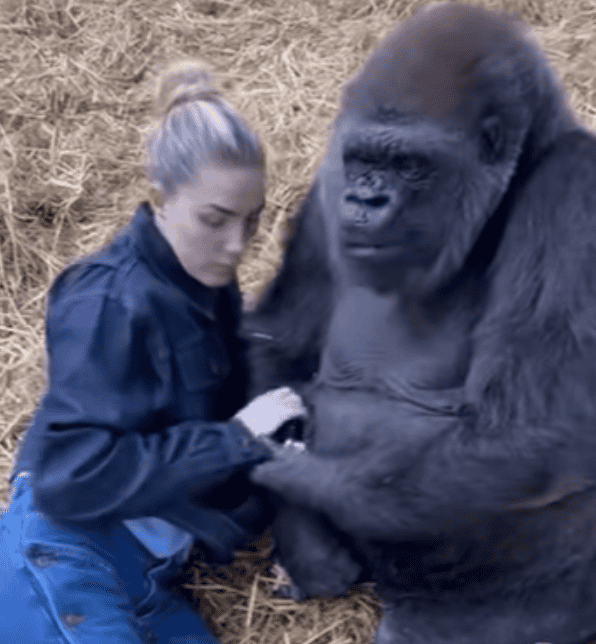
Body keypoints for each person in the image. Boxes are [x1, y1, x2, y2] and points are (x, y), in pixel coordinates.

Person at [0, 59, 305, 644]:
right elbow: (71, 477)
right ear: (158, 197)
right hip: (67, 553)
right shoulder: (109, 302)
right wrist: (237, 438)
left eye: (252, 220)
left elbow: (232, 424)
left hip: (151, 580)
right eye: (215, 220)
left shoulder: (208, 283)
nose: (237, 245)